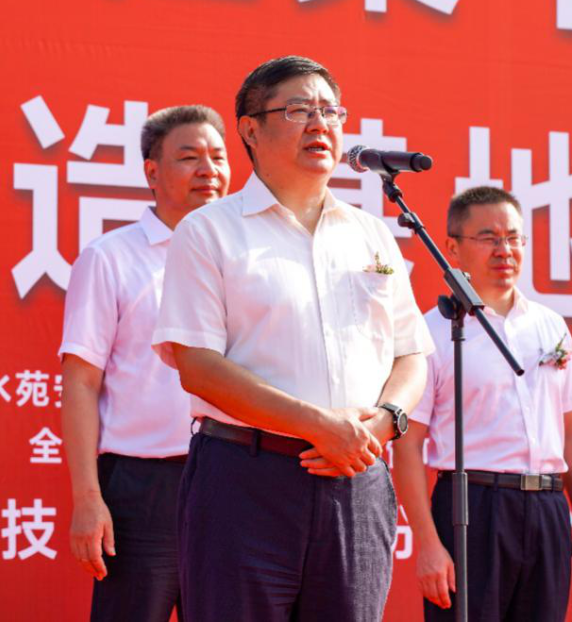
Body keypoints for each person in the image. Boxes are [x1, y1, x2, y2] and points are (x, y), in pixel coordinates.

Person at [151, 55, 434, 621]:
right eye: (299, 110)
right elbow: (198, 366)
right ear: (250, 130)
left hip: (356, 479)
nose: (320, 124)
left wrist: (385, 421)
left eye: (330, 111)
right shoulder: (209, 231)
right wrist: (319, 426)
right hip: (245, 480)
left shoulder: (372, 234)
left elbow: (410, 353)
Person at [393, 185, 572, 622]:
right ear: (452, 248)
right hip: (473, 509)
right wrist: (428, 543)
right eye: (488, 238)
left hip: (547, 509)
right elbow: (408, 444)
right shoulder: (433, 332)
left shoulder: (551, 326)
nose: (504, 250)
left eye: (513, 238)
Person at [59, 104, 231, 621]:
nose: (209, 170)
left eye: (218, 156)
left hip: (232, 477)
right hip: (144, 488)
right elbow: (81, 382)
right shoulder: (111, 257)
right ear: (152, 172)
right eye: (190, 157)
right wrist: (88, 497)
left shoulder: (242, 260)